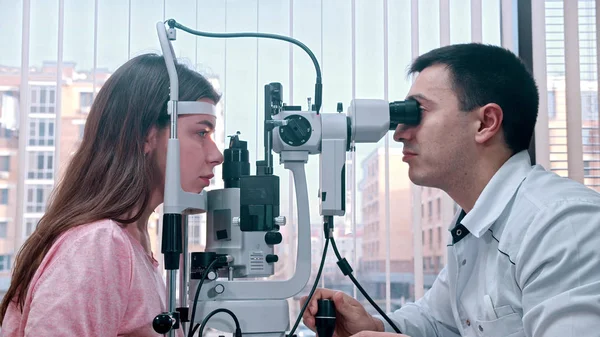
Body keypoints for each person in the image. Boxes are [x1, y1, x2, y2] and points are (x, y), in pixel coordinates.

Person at [301, 43, 600, 337]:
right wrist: (374, 327)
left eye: (417, 112)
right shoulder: (475, 227)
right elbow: (437, 321)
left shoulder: (561, 226)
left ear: (485, 122)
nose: (399, 133)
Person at [0, 54, 224, 336]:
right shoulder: (99, 245)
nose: (217, 155)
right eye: (201, 133)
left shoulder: (135, 247)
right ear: (147, 136)